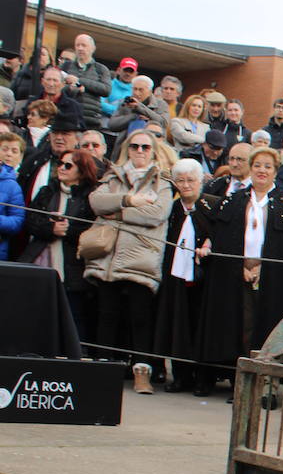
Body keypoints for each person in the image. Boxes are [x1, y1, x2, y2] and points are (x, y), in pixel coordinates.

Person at [198, 146, 283, 377]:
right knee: (241, 322)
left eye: (267, 166)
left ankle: (266, 374)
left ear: (275, 171)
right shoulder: (235, 200)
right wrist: (240, 266)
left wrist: (263, 267)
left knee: (266, 323)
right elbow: (223, 237)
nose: (262, 170)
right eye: (257, 165)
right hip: (237, 272)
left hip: (271, 275)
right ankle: (237, 374)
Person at [85, 130, 175, 394]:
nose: (139, 151)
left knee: (141, 318)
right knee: (107, 315)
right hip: (109, 256)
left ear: (153, 151)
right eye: (134, 146)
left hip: (141, 257)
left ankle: (142, 372)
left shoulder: (162, 180)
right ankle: (103, 369)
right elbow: (96, 201)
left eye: (145, 147)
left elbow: (156, 213)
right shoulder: (114, 175)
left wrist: (119, 212)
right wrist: (130, 199)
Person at [154, 158, 222, 395]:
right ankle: (181, 375)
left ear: (200, 180)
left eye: (190, 180)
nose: (185, 185)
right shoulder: (172, 209)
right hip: (177, 279)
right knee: (177, 325)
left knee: (201, 327)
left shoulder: (213, 206)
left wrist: (210, 243)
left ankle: (204, 379)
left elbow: (221, 235)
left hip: (204, 280)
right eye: (180, 181)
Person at [20, 147, 98, 335]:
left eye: (68, 165)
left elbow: (93, 229)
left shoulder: (90, 197)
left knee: (73, 315)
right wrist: (50, 229)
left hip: (73, 267)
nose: (61, 168)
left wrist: (68, 230)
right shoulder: (47, 191)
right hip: (40, 260)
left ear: (81, 170)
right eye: (60, 163)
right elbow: (30, 221)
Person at [59, 34, 112, 129]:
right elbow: (57, 87)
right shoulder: (66, 66)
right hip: (67, 116)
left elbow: (106, 90)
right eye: (77, 45)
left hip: (90, 119)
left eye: (84, 45)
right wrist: (71, 88)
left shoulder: (101, 69)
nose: (80, 48)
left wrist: (79, 81)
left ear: (93, 48)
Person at [108, 75, 170, 153]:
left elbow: (164, 123)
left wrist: (141, 108)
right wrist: (134, 116)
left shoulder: (161, 104)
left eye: (141, 90)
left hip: (152, 149)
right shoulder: (125, 103)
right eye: (135, 89)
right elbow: (112, 125)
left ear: (150, 91)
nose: (137, 93)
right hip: (125, 148)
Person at [0, 132, 26, 260]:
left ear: (21, 157)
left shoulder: (13, 187)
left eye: (14, 151)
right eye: (4, 149)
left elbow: (17, 221)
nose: (8, 154)